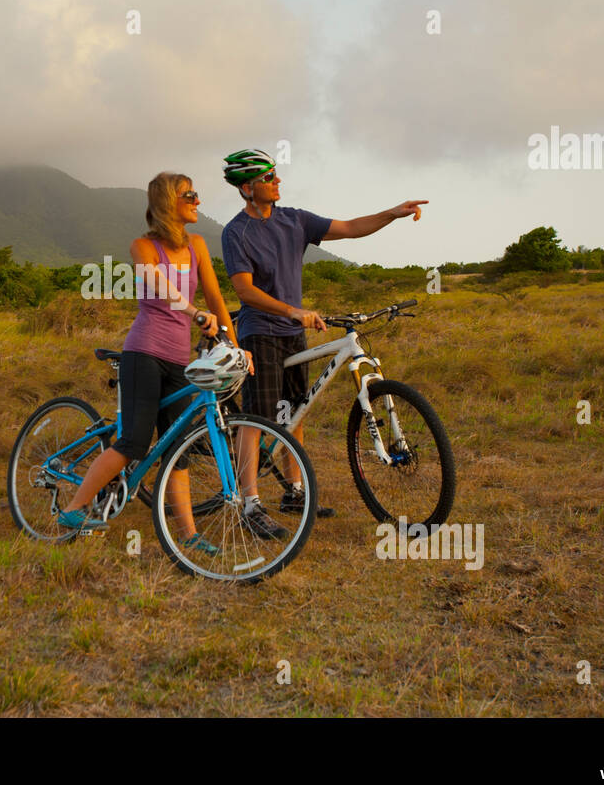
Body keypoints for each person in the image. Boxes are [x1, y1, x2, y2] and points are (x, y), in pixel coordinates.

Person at [221, 148, 427, 525]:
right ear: (247, 189)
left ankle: (294, 493)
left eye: (275, 174)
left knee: (294, 413)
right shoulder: (237, 232)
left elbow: (348, 228)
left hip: (291, 334)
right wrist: (293, 311)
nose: (277, 180)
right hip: (260, 332)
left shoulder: (295, 220)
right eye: (268, 178)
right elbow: (245, 291)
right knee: (257, 419)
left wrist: (391, 214)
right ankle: (249, 503)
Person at [58, 172, 251, 555]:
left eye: (196, 194)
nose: (198, 201)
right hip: (144, 354)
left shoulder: (197, 246)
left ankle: (189, 534)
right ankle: (75, 508)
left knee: (176, 447)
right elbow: (160, 286)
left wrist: (234, 344)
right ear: (167, 203)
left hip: (180, 362)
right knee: (133, 442)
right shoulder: (143, 247)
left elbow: (216, 299)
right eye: (189, 195)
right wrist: (194, 313)